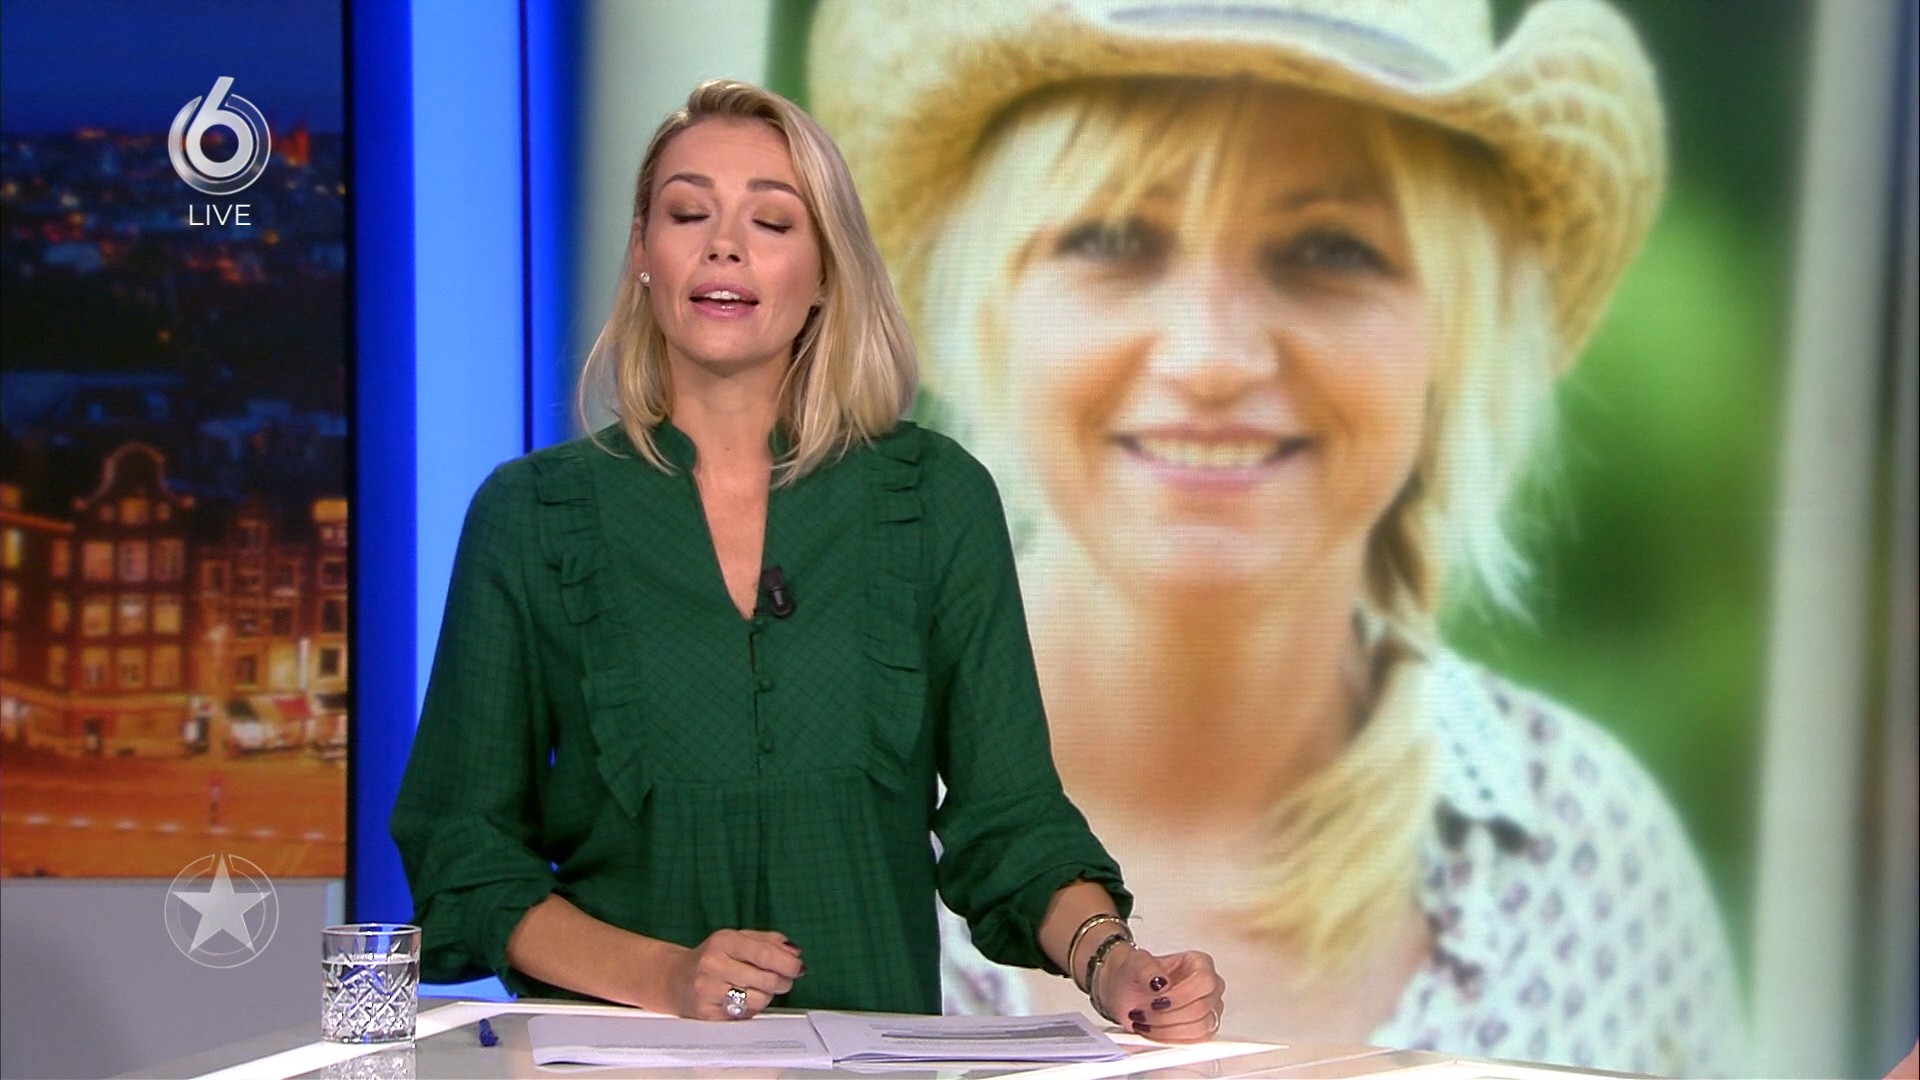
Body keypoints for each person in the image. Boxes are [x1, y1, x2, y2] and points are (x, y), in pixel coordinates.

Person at [810, 0, 1746, 1073]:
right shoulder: (775, 807)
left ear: (1452, 332)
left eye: (1328, 248)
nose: (1211, 357)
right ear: (983, 306)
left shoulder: (1597, 864)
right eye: (1112, 237)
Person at [389, 79, 1225, 1038]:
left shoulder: (935, 498)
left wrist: (1114, 963)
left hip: (873, 1051)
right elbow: (464, 853)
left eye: (772, 221)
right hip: (619, 1057)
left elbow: (1010, 820)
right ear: (643, 254)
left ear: (826, 270)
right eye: (688, 213)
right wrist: (666, 977)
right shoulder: (532, 514)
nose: (724, 246)